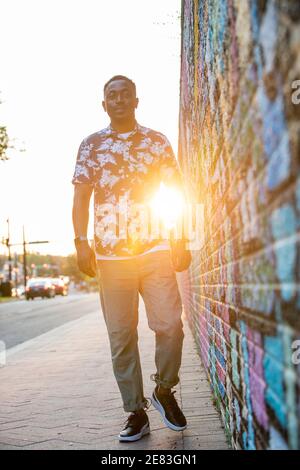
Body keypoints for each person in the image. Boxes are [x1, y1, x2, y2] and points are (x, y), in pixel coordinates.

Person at [72, 75, 187, 442]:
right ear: (103, 105)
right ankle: (135, 412)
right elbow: (81, 198)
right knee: (121, 336)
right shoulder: (91, 145)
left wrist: (181, 236)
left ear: (136, 101)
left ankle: (164, 389)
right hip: (110, 258)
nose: (119, 100)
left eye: (125, 94)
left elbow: (177, 190)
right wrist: (80, 242)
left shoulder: (157, 142)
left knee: (169, 324)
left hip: (155, 250)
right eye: (111, 96)